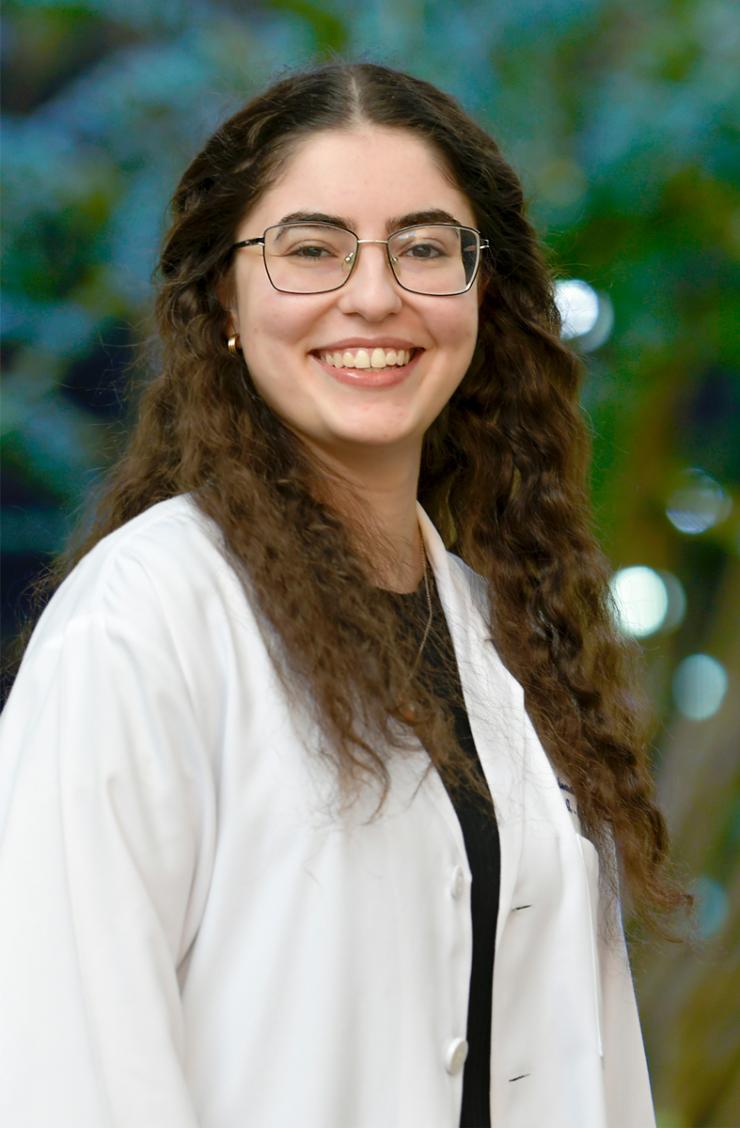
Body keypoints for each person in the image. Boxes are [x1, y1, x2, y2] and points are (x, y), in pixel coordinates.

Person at [0, 62, 685, 1128]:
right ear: (223, 298)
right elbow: (68, 1071)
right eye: (311, 249)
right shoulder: (142, 622)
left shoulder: (508, 641)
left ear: (480, 293)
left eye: (423, 248)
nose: (375, 295)